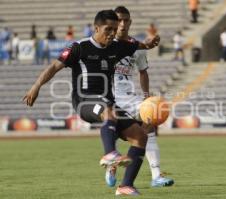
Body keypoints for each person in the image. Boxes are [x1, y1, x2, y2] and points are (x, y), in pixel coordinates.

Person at [23, 10, 160, 196]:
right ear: (96, 28)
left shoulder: (117, 46)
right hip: (84, 101)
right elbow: (54, 66)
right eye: (108, 29)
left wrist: (149, 45)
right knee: (107, 108)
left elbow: (136, 45)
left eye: (114, 29)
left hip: (107, 103)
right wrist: (36, 86)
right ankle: (110, 154)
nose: (112, 33)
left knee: (140, 136)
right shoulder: (79, 47)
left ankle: (125, 185)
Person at [104, 6, 174, 191]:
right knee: (118, 131)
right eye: (119, 20)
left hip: (130, 97)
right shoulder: (105, 44)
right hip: (110, 98)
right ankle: (112, 164)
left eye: (126, 20)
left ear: (130, 22)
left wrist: (145, 96)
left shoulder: (137, 47)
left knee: (149, 125)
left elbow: (143, 72)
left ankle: (156, 175)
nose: (122, 24)